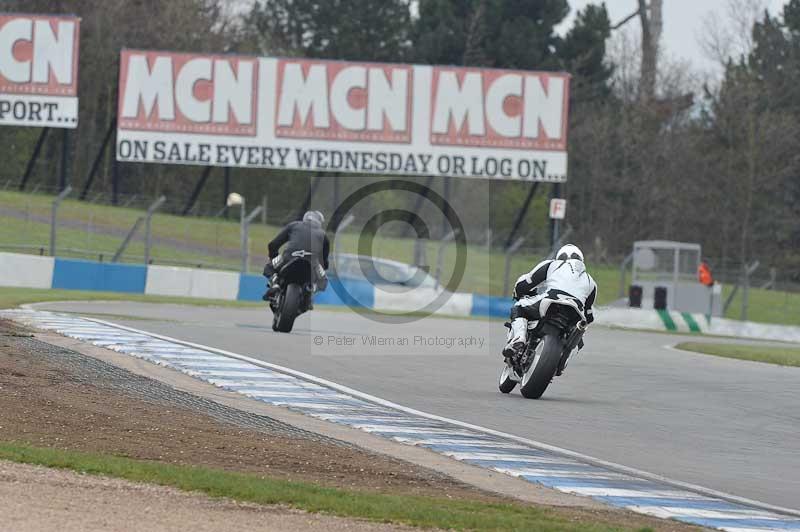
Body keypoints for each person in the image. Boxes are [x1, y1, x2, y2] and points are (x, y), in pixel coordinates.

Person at [503, 244, 597, 359]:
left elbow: (526, 283)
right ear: (581, 260)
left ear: (560, 257)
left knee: (519, 307)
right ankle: (564, 359)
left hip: (550, 301)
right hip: (575, 314)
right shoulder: (591, 282)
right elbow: (589, 315)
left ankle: (519, 338)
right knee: (578, 334)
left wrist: (518, 294)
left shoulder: (552, 264)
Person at [263, 210, 330, 300]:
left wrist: (273, 256)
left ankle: (275, 284)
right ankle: (311, 288)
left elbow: (273, 245)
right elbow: (324, 261)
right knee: (324, 280)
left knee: (269, 267)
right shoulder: (323, 235)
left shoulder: (294, 225)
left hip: (289, 258)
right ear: (319, 222)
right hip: (312, 264)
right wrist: (321, 268)